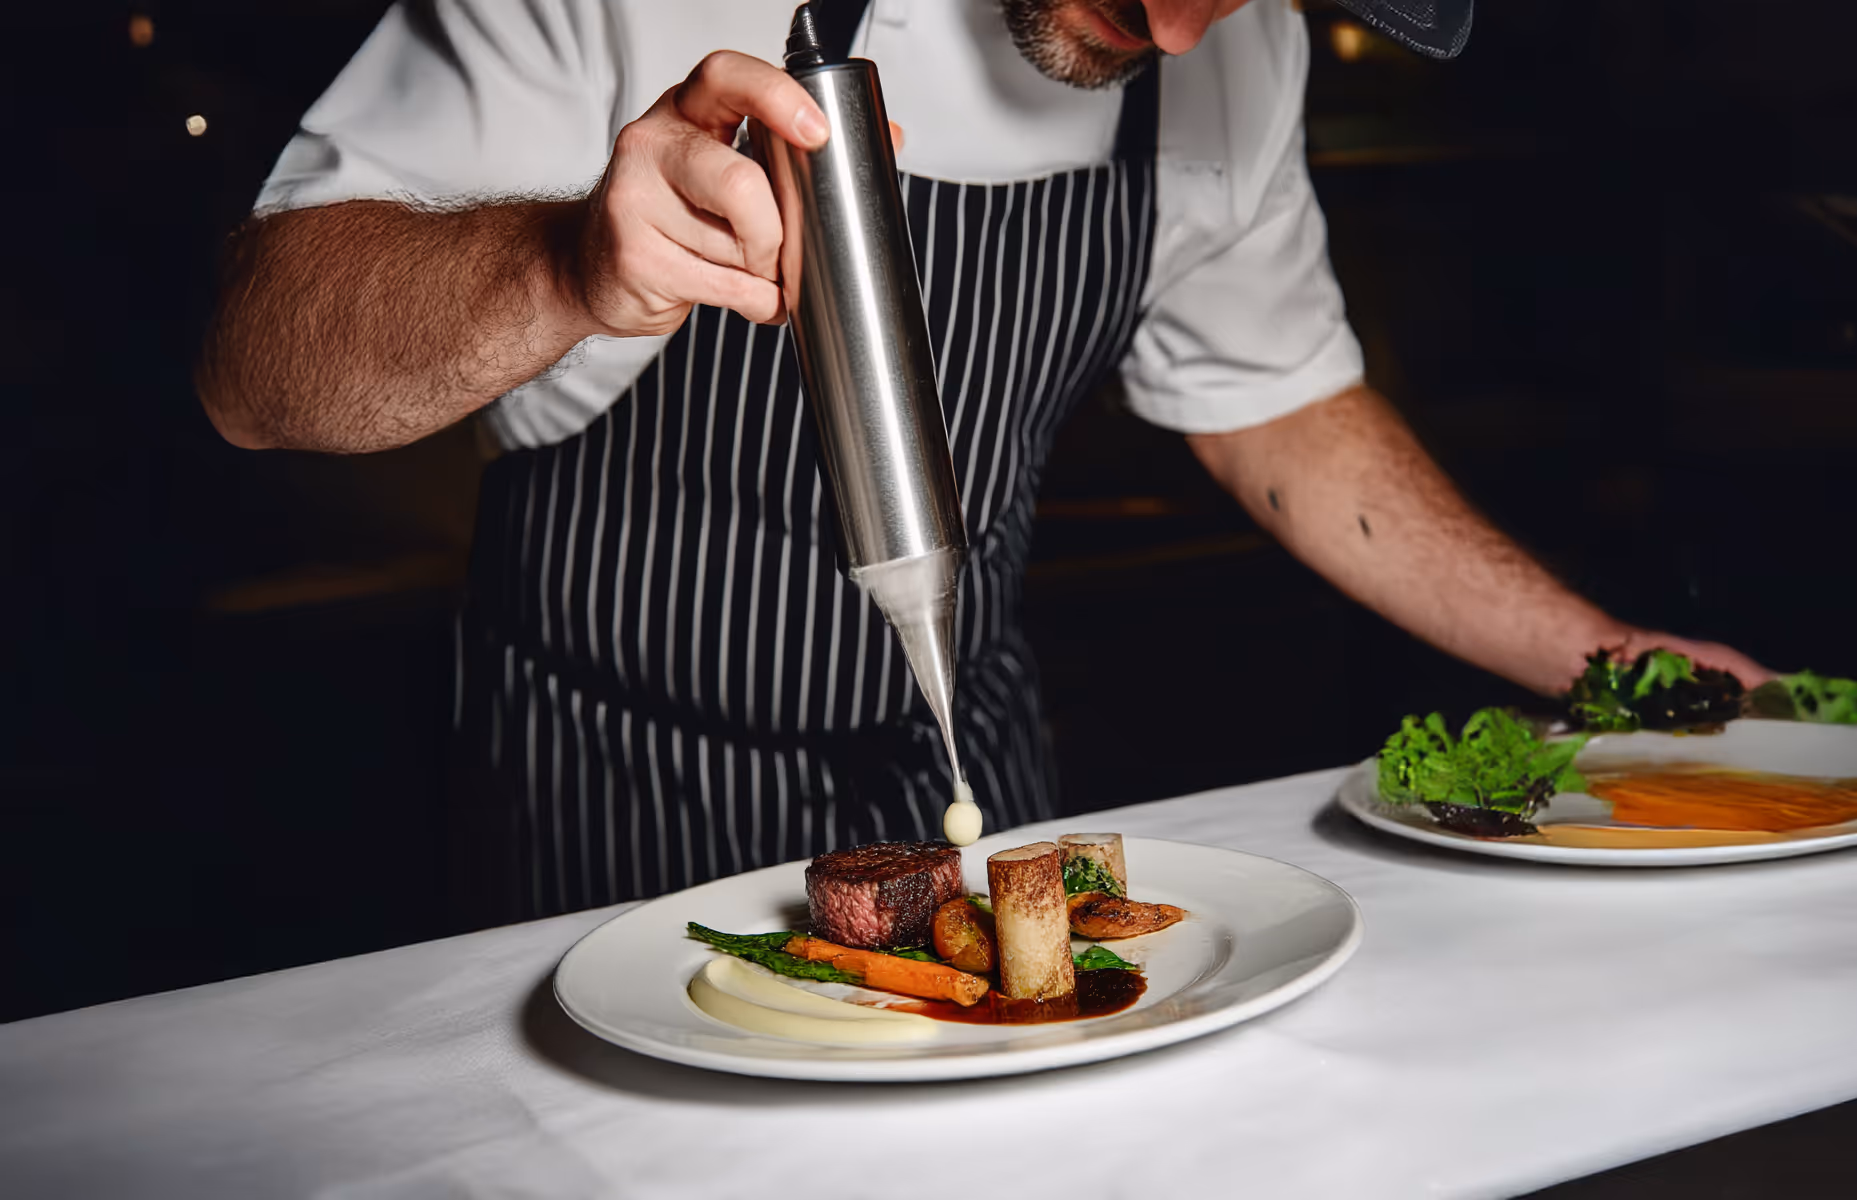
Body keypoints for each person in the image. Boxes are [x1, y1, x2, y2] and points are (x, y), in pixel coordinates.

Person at [197, 0, 1769, 919]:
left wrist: (1613, 661)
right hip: (605, 808)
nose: (1179, 25)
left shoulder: (1230, 58)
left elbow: (1278, 408)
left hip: (972, 790)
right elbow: (252, 377)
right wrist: (560, 267)